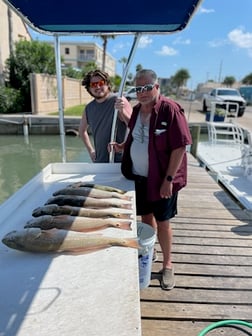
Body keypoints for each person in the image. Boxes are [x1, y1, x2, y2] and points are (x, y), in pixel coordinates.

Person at [109, 69, 192, 290]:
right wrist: (122, 146)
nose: (142, 92)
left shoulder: (170, 110)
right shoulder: (136, 111)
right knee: (146, 217)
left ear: (157, 87)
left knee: (163, 223)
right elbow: (137, 137)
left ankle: (168, 265)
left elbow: (180, 146)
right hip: (139, 177)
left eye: (147, 87)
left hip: (162, 178)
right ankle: (149, 250)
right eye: (138, 88)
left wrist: (168, 179)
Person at [79, 69, 132, 163]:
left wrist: (122, 111)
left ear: (107, 84)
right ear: (89, 88)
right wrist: (91, 151)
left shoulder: (118, 100)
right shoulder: (89, 108)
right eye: (93, 84)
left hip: (120, 163)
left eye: (101, 83)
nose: (98, 86)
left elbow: (134, 126)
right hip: (100, 162)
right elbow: (82, 131)